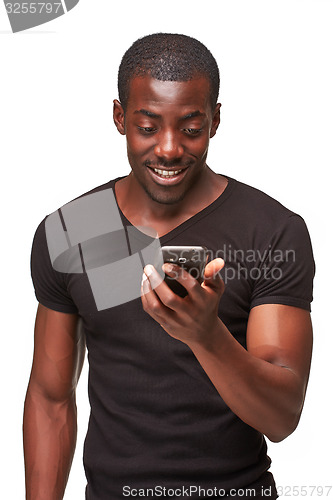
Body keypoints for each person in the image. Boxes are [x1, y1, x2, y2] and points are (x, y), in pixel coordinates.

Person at [23, 33, 315, 500]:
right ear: (120, 117)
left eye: (191, 128)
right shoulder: (74, 230)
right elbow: (51, 397)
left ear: (216, 120)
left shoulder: (271, 232)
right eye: (148, 125)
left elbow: (281, 418)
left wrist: (206, 335)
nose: (169, 148)